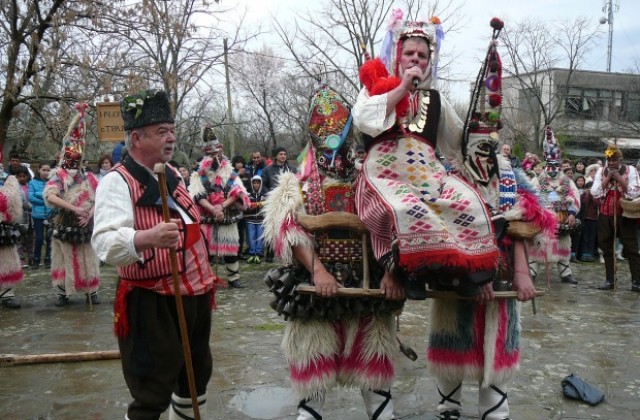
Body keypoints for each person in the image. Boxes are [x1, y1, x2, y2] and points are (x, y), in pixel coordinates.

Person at [425, 18, 554, 420]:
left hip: (501, 287)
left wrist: (520, 270)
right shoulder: (446, 179)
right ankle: (449, 406)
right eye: (476, 140)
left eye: (490, 140)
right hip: (455, 283)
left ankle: (494, 410)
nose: (484, 147)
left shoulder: (512, 177)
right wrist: (467, 276)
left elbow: (533, 220)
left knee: (495, 368)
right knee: (452, 359)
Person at [262, 84, 405, 420]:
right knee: (313, 380)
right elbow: (291, 234)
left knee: (376, 378)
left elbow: (394, 225)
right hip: (317, 294)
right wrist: (318, 271)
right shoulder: (295, 186)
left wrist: (391, 271)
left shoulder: (369, 181)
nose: (333, 153)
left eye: (339, 141)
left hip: (368, 290)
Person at [92, 89, 220, 419]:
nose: (171, 138)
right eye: (161, 131)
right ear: (136, 138)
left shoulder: (173, 173)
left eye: (172, 130)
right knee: (152, 385)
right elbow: (104, 242)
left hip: (194, 292)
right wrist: (147, 237)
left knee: (194, 377)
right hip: (152, 298)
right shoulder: (116, 182)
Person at [353, 11, 499, 299]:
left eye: (422, 54)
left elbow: (458, 143)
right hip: (384, 175)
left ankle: (463, 270)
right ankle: (399, 269)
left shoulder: (437, 100)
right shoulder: (373, 90)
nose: (416, 59)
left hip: (430, 175)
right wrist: (402, 88)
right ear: (397, 56)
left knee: (469, 201)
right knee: (404, 207)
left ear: (429, 61)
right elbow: (364, 120)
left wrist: (484, 132)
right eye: (409, 53)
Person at [44, 103, 101, 306]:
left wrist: (89, 213)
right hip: (65, 224)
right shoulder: (59, 176)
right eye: (70, 157)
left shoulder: (90, 177)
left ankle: (92, 291)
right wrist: (76, 208)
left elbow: (100, 198)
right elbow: (50, 196)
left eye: (77, 157)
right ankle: (63, 292)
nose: (73, 161)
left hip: (86, 224)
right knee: (64, 258)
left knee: (88, 258)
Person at [188, 127, 249, 288]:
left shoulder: (229, 171)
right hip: (207, 217)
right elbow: (196, 194)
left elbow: (237, 191)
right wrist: (212, 209)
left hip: (227, 214)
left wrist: (221, 206)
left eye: (217, 153)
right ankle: (206, 277)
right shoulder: (198, 173)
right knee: (206, 250)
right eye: (211, 154)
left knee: (230, 247)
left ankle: (233, 277)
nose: (215, 157)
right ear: (205, 153)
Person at [528, 126, 580, 285]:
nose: (552, 170)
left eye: (555, 167)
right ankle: (531, 271)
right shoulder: (537, 180)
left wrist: (571, 213)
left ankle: (566, 273)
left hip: (561, 219)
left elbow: (576, 197)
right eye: (549, 167)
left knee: (563, 246)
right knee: (536, 247)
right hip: (542, 221)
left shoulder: (567, 181)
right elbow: (530, 197)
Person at [590, 145, 640, 291]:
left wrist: (619, 178)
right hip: (606, 213)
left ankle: (636, 281)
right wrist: (608, 179)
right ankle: (610, 280)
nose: (611, 163)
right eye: (609, 160)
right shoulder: (602, 171)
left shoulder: (631, 171)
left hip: (625, 213)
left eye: (614, 160)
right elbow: (596, 192)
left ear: (621, 160)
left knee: (631, 248)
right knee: (606, 247)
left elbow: (634, 192)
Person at [0, 159, 25, 309]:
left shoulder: (9, 180)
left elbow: (10, 203)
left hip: (4, 226)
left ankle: (7, 294)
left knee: (6, 260)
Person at [28, 162, 53, 270]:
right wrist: (47, 200)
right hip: (37, 215)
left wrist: (44, 198)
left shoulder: (52, 183)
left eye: (48, 170)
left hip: (50, 215)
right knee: (39, 238)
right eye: (44, 170)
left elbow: (55, 196)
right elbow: (31, 197)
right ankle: (36, 259)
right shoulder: (32, 182)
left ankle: (48, 259)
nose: (46, 172)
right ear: (39, 170)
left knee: (49, 238)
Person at [231, 155, 250, 260]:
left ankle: (240, 252)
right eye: (237, 162)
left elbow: (249, 188)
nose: (239, 164)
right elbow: (228, 186)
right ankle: (231, 252)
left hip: (242, 205)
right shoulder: (231, 173)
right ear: (234, 163)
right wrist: (237, 175)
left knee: (241, 231)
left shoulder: (247, 173)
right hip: (232, 205)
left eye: (241, 162)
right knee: (233, 230)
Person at [244, 175, 266, 263]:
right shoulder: (248, 195)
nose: (256, 185)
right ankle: (252, 254)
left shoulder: (264, 196)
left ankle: (258, 254)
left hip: (261, 220)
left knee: (259, 237)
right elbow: (246, 207)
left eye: (258, 183)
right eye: (254, 183)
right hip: (250, 220)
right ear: (252, 184)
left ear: (261, 184)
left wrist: (263, 204)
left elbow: (267, 208)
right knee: (251, 237)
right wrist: (254, 205)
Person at [15, 166, 33, 267]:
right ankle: (21, 258)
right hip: (21, 215)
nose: (22, 178)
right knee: (20, 238)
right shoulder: (15, 187)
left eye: (24, 176)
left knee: (30, 237)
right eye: (19, 176)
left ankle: (31, 256)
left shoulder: (30, 186)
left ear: (27, 176)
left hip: (31, 216)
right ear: (16, 177)